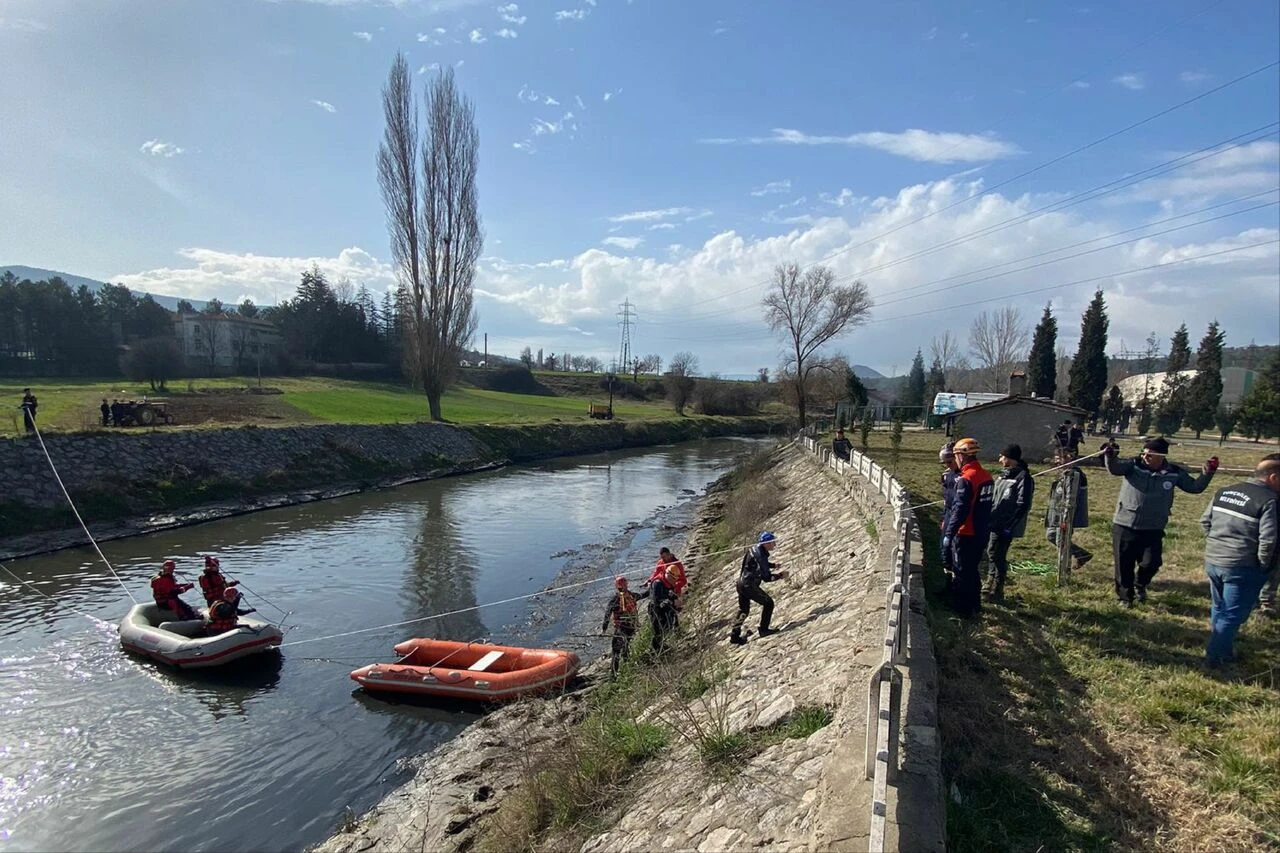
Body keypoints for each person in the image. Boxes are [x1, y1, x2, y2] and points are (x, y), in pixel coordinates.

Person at [1103, 436, 1217, 606]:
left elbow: (1194, 487)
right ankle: (1125, 598)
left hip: (1153, 527)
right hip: (1125, 524)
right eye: (1143, 453)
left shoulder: (1174, 472)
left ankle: (1140, 584)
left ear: (1161, 456)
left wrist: (1208, 473)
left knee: (1152, 563)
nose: (1144, 457)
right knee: (1124, 565)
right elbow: (1114, 469)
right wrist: (1110, 456)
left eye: (1149, 454)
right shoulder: (1133, 465)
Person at [1200, 454, 1280, 666]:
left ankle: (1224, 650)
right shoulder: (1269, 500)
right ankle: (1215, 658)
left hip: (1214, 560)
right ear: (1273, 477)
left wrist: (1217, 544)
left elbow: (1205, 521)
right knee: (1233, 614)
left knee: (1220, 608)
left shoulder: (1224, 491)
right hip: (1243, 566)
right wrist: (1264, 565)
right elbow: (1268, 539)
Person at [941, 438, 994, 616]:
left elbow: (960, 509)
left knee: (961, 571)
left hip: (966, 532)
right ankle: (975, 605)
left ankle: (962, 610)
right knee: (973, 569)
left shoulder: (966, 478)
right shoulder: (986, 476)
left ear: (960, 456)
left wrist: (949, 533)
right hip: (981, 530)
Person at [984, 444, 1035, 601]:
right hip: (994, 521)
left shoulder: (1023, 477)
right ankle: (989, 581)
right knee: (991, 551)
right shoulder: (1004, 475)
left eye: (1002, 457)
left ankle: (997, 588)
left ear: (1011, 458)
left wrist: (1010, 525)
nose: (1000, 459)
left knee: (998, 554)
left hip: (1007, 524)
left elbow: (1023, 504)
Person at [730, 531, 788, 644]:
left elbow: (758, 563)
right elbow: (767, 578)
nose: (774, 544)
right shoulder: (761, 555)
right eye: (772, 542)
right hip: (749, 586)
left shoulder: (754, 549)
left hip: (741, 583)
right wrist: (780, 575)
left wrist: (773, 565)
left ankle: (734, 636)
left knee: (743, 610)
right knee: (769, 603)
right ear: (766, 543)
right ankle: (764, 629)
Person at [1045, 448, 1092, 570]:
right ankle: (1081, 554)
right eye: (1056, 460)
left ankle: (1064, 570)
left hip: (1065, 515)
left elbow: (1070, 499)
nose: (1057, 463)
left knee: (1062, 540)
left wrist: (1066, 519)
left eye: (1059, 459)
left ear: (1069, 458)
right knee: (1051, 535)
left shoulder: (1073, 475)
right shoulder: (1064, 473)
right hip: (1057, 514)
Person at [600, 575, 647, 675]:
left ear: (616, 586)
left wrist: (604, 628)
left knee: (616, 651)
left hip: (621, 628)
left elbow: (608, 613)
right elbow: (643, 595)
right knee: (626, 645)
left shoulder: (615, 599)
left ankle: (613, 675)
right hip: (631, 627)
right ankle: (627, 664)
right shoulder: (631, 595)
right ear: (626, 585)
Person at [646, 560, 679, 653]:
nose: (674, 581)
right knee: (658, 630)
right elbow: (656, 599)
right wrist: (667, 600)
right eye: (673, 578)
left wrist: (674, 599)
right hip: (656, 609)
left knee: (667, 626)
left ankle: (661, 645)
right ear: (668, 575)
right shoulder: (658, 583)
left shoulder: (668, 582)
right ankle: (655, 649)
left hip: (665, 607)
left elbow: (669, 593)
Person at [939, 443, 959, 579]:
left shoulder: (964, 476)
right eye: (944, 463)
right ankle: (948, 579)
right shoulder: (946, 475)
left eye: (950, 462)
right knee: (944, 549)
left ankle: (956, 581)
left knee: (955, 550)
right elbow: (946, 498)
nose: (947, 465)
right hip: (948, 514)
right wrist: (944, 518)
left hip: (958, 517)